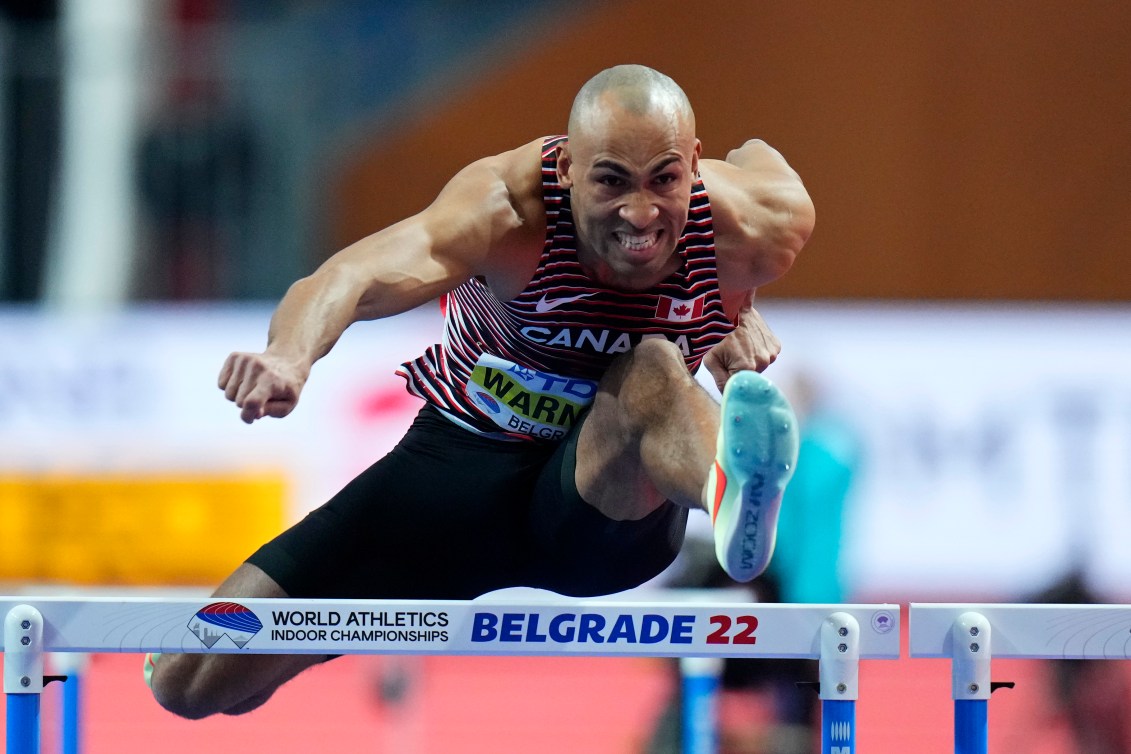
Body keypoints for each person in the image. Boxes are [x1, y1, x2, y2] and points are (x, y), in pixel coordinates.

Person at [147, 63, 815, 720]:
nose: (639, 214)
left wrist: (735, 302)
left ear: (694, 164)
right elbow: (351, 275)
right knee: (191, 677)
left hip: (599, 503)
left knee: (652, 368)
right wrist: (289, 356)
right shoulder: (505, 210)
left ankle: (728, 490)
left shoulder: (757, 225)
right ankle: (334, 631)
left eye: (664, 180)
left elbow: (756, 154)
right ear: (566, 170)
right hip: (457, 475)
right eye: (611, 182)